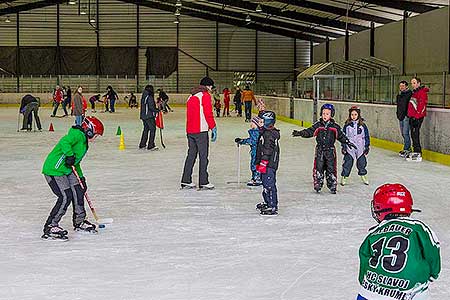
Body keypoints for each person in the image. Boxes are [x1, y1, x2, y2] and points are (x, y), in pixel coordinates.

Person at [357, 183, 440, 300]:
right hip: (410, 294)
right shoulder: (418, 228)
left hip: (369, 294)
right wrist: (433, 274)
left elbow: (364, 259)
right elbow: (432, 251)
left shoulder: (374, 233)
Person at [41, 116, 104, 240]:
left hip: (68, 169)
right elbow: (64, 142)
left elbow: (76, 162)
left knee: (79, 190)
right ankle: (50, 226)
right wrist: (69, 155)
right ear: (89, 130)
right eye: (95, 135)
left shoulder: (84, 143)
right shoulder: (77, 135)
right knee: (66, 196)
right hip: (54, 169)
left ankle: (79, 221)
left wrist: (81, 177)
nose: (95, 138)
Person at [292, 103, 356, 194]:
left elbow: (341, 136)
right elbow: (310, 131)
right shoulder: (318, 125)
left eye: (327, 114)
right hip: (320, 150)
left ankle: (332, 184)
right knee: (319, 167)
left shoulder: (335, 127)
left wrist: (347, 142)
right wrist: (300, 133)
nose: (325, 115)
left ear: (331, 115)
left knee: (331, 168)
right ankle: (318, 183)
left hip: (330, 151)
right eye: (323, 113)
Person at [181, 76, 217, 190]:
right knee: (203, 156)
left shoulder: (191, 95)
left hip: (190, 131)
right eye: (211, 86)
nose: (211, 89)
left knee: (191, 155)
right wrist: (213, 127)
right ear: (207, 86)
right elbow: (208, 113)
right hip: (200, 131)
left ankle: (186, 180)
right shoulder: (204, 96)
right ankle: (203, 181)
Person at [255, 111, 280, 215]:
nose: (259, 123)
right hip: (265, 163)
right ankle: (267, 202)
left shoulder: (269, 135)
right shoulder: (265, 132)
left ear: (267, 122)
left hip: (269, 164)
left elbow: (267, 150)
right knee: (265, 183)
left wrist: (264, 162)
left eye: (261, 121)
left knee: (269, 184)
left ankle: (272, 205)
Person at [341, 106, 370, 186]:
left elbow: (366, 136)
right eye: (352, 114)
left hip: (360, 146)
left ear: (358, 115)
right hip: (350, 146)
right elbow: (343, 137)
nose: (353, 116)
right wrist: (344, 146)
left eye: (355, 114)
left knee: (362, 162)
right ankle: (344, 176)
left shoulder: (363, 125)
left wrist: (367, 146)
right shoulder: (347, 125)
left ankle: (363, 175)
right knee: (348, 162)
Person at [235, 116, 262, 186]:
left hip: (256, 151)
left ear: (256, 124)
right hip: (255, 150)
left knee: (255, 164)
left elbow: (252, 141)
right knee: (256, 164)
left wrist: (242, 141)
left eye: (252, 123)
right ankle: (256, 177)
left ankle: (257, 178)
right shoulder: (255, 131)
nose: (251, 124)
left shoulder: (256, 132)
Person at [407, 77, 428, 161]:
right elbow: (413, 105)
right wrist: (410, 115)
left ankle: (418, 152)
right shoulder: (414, 92)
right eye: (412, 83)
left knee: (415, 134)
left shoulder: (422, 92)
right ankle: (416, 151)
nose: (413, 85)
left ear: (419, 83)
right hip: (413, 117)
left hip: (417, 117)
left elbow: (422, 106)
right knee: (413, 134)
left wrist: (417, 117)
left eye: (414, 83)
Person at [139, 84, 159, 151]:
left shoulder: (144, 96)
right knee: (153, 129)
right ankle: (151, 145)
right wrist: (157, 110)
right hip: (149, 116)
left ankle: (142, 144)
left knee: (146, 129)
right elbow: (151, 107)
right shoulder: (149, 96)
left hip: (144, 116)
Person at [396, 81, 412, 158]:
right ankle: (407, 147)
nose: (401, 87)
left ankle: (407, 149)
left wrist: (408, 115)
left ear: (406, 86)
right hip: (400, 116)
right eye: (400, 86)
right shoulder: (399, 95)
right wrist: (398, 114)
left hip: (406, 116)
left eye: (403, 86)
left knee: (406, 133)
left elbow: (409, 106)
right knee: (403, 133)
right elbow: (399, 106)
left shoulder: (409, 94)